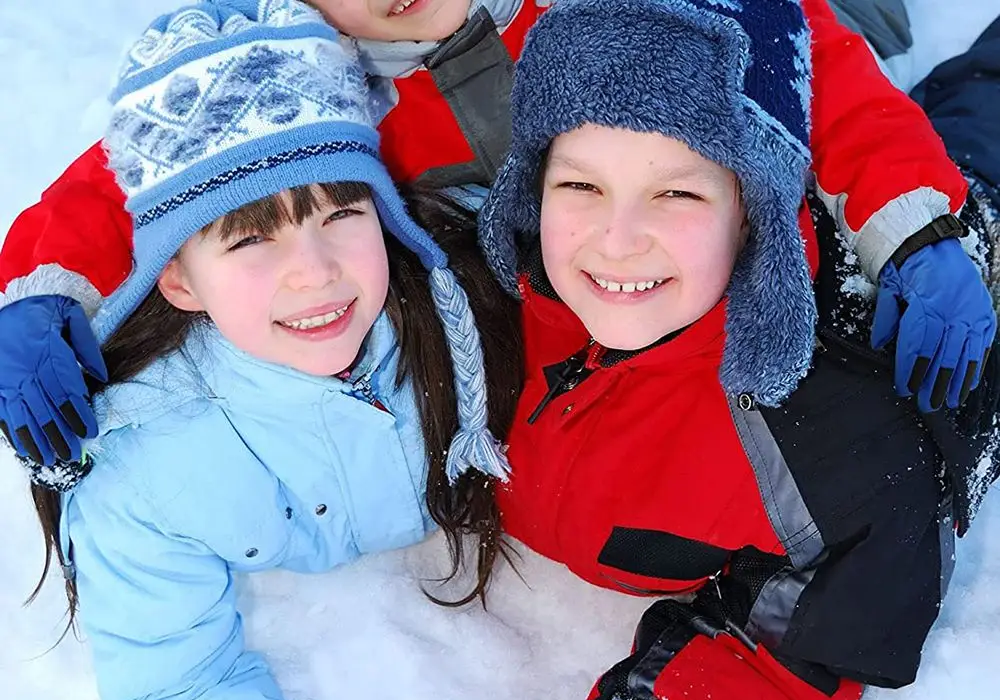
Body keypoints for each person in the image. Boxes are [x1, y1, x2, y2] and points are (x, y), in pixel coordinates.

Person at [475, 0, 1000, 700]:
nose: (619, 236)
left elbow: (816, 630)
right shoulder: (493, 310)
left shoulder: (818, 434)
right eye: (581, 187)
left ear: (752, 215)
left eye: (678, 192)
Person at [27, 0, 524, 700]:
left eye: (344, 212)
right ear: (176, 278)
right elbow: (170, 690)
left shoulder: (467, 322)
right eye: (251, 239)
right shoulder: (145, 467)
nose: (316, 274)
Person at [0, 0, 992, 479]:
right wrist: (42, 293)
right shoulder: (304, 71)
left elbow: (814, 64)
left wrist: (918, 228)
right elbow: (136, 168)